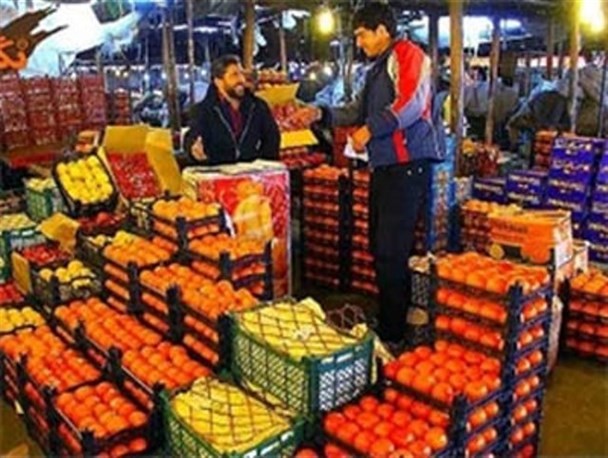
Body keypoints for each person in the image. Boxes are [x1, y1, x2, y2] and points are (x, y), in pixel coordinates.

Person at [305, 3, 444, 348]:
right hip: (384, 167)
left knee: (392, 250)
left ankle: (394, 334)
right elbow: (357, 109)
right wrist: (321, 114)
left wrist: (370, 129)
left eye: (362, 35)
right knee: (380, 247)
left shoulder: (408, 55)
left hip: (407, 166)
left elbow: (411, 104)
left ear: (382, 30)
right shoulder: (376, 68)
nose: (360, 42)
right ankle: (390, 320)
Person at [184, 55, 280, 165]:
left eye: (241, 74)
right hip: (218, 172)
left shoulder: (258, 107)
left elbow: (272, 139)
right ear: (218, 81)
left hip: (253, 172)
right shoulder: (203, 111)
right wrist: (194, 151)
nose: (241, 79)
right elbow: (194, 137)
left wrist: (263, 165)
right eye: (234, 75)